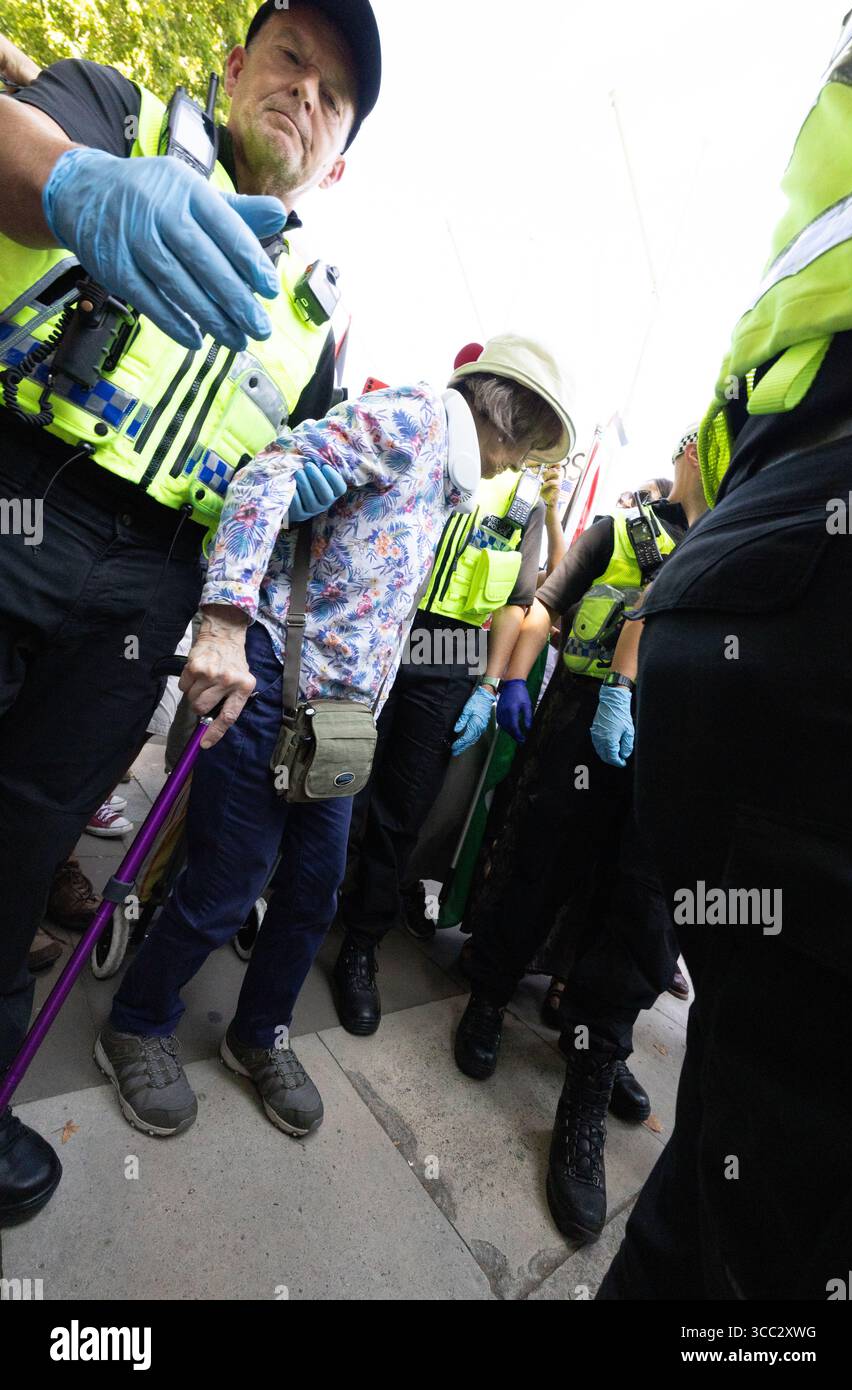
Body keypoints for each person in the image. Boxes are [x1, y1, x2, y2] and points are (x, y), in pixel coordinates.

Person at [0, 0, 382, 1228]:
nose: (304, 95)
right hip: (21, 487)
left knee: (28, 837)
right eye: (290, 60)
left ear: (341, 158)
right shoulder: (115, 113)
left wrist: (234, 628)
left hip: (155, 581)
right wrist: (79, 189)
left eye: (334, 97)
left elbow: (283, 499)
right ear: (232, 70)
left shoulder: (322, 318)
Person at [92, 336, 574, 1144]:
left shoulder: (445, 478)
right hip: (276, 679)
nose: (518, 463)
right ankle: (136, 1023)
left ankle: (258, 1035)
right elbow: (268, 475)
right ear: (510, 419)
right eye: (526, 442)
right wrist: (224, 621)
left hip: (341, 722)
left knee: (312, 892)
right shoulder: (415, 420)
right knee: (225, 884)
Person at [598, 4, 852, 1299]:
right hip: (779, 613)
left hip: (759, 589)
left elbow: (716, 478)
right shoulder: (618, 518)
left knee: (734, 1157)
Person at [452, 435, 703, 1243]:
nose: (699, 446)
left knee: (636, 913)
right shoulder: (621, 529)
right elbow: (548, 600)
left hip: (673, 750)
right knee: (539, 867)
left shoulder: (740, 534)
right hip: (581, 727)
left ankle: (591, 1070)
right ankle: (489, 998)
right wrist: (512, 680)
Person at [332, 339, 574, 1036]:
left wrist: (489, 685)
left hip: (449, 654)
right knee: (330, 773)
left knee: (402, 804)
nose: (518, 451)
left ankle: (360, 943)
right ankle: (293, 905)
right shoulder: (422, 433)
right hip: (380, 626)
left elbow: (518, 596)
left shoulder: (524, 496)